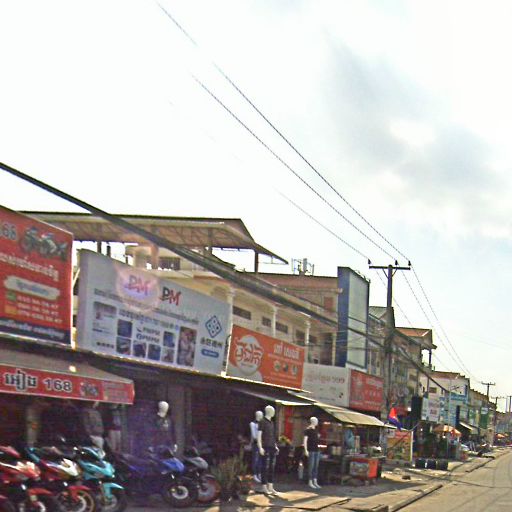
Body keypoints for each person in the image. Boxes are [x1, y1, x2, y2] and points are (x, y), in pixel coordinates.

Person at [303, 417, 321, 489]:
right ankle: (310, 481)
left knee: (316, 467)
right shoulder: (307, 430)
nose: (317, 422)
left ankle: (315, 481)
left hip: (317, 450)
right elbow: (305, 441)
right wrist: (306, 450)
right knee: (311, 466)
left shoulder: (316, 430)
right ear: (313, 422)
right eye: (316, 421)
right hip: (311, 450)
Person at [250, 411, 263, 482]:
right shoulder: (252, 424)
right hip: (256, 444)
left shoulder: (262, 424)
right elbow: (254, 435)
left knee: (261, 460)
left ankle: (260, 474)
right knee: (255, 459)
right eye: (260, 415)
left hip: (262, 443)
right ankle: (255, 474)